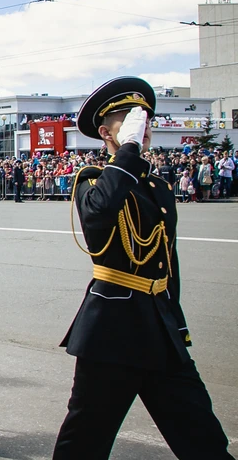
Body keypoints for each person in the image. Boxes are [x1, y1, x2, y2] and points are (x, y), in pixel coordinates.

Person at [54, 77, 233, 459]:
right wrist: (129, 150)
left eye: (144, 119)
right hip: (111, 334)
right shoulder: (94, 181)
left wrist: (177, 323)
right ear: (105, 132)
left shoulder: (158, 187)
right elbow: (100, 214)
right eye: (129, 119)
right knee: (84, 443)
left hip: (159, 329)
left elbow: (167, 262)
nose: (143, 126)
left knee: (204, 439)